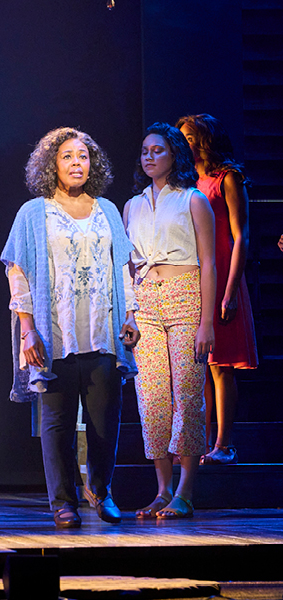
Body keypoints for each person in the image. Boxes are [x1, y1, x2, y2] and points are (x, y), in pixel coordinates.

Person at [1, 128, 139, 528]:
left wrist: (130, 314)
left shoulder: (107, 210)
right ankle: (62, 501)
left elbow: (124, 267)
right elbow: (17, 272)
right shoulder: (34, 212)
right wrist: (28, 329)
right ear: (52, 165)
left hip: (102, 330)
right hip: (55, 332)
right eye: (67, 156)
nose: (77, 163)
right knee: (57, 422)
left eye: (83, 156)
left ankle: (101, 491)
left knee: (104, 421)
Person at [124, 122, 216, 519]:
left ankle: (185, 490)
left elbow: (209, 262)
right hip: (145, 300)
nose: (149, 156)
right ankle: (162, 490)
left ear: (174, 154)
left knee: (187, 395)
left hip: (185, 296)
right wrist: (129, 313)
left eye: (157, 150)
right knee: (151, 397)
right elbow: (127, 266)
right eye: (145, 150)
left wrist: (207, 321)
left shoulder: (193, 200)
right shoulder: (133, 205)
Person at [176, 114, 258, 465]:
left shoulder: (227, 178)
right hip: (193, 277)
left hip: (223, 275)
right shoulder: (185, 181)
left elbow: (241, 236)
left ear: (205, 140)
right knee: (199, 366)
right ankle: (200, 443)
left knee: (220, 364)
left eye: (190, 138)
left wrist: (230, 291)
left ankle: (224, 445)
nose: (185, 144)